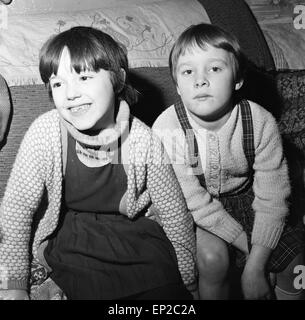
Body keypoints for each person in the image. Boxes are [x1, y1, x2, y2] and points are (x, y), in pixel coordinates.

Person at [0, 26, 197, 300]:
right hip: (72, 239)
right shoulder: (44, 133)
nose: (70, 93)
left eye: (83, 77)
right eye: (58, 83)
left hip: (136, 238)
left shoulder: (143, 139)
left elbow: (175, 211)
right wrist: (15, 285)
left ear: (118, 79)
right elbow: (15, 210)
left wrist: (187, 280)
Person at [153, 23, 305, 300]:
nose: (200, 80)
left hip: (251, 197)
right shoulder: (168, 127)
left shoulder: (259, 122)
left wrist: (257, 264)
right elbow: (194, 201)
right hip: (197, 210)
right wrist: (254, 253)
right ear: (176, 85)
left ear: (237, 79)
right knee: (213, 260)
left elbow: (273, 196)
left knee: (296, 260)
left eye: (214, 68)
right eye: (188, 71)